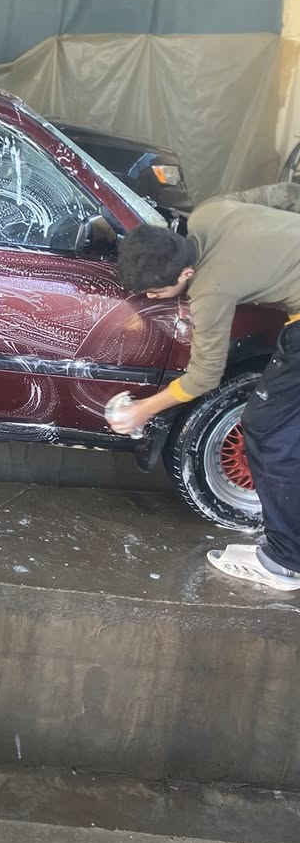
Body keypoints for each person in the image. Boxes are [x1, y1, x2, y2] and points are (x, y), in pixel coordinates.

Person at [114, 190, 300, 592]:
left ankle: (285, 562)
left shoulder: (210, 291)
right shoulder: (210, 213)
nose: (150, 299)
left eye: (155, 293)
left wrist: (144, 409)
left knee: (267, 428)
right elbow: (285, 194)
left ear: (185, 274)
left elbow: (204, 376)